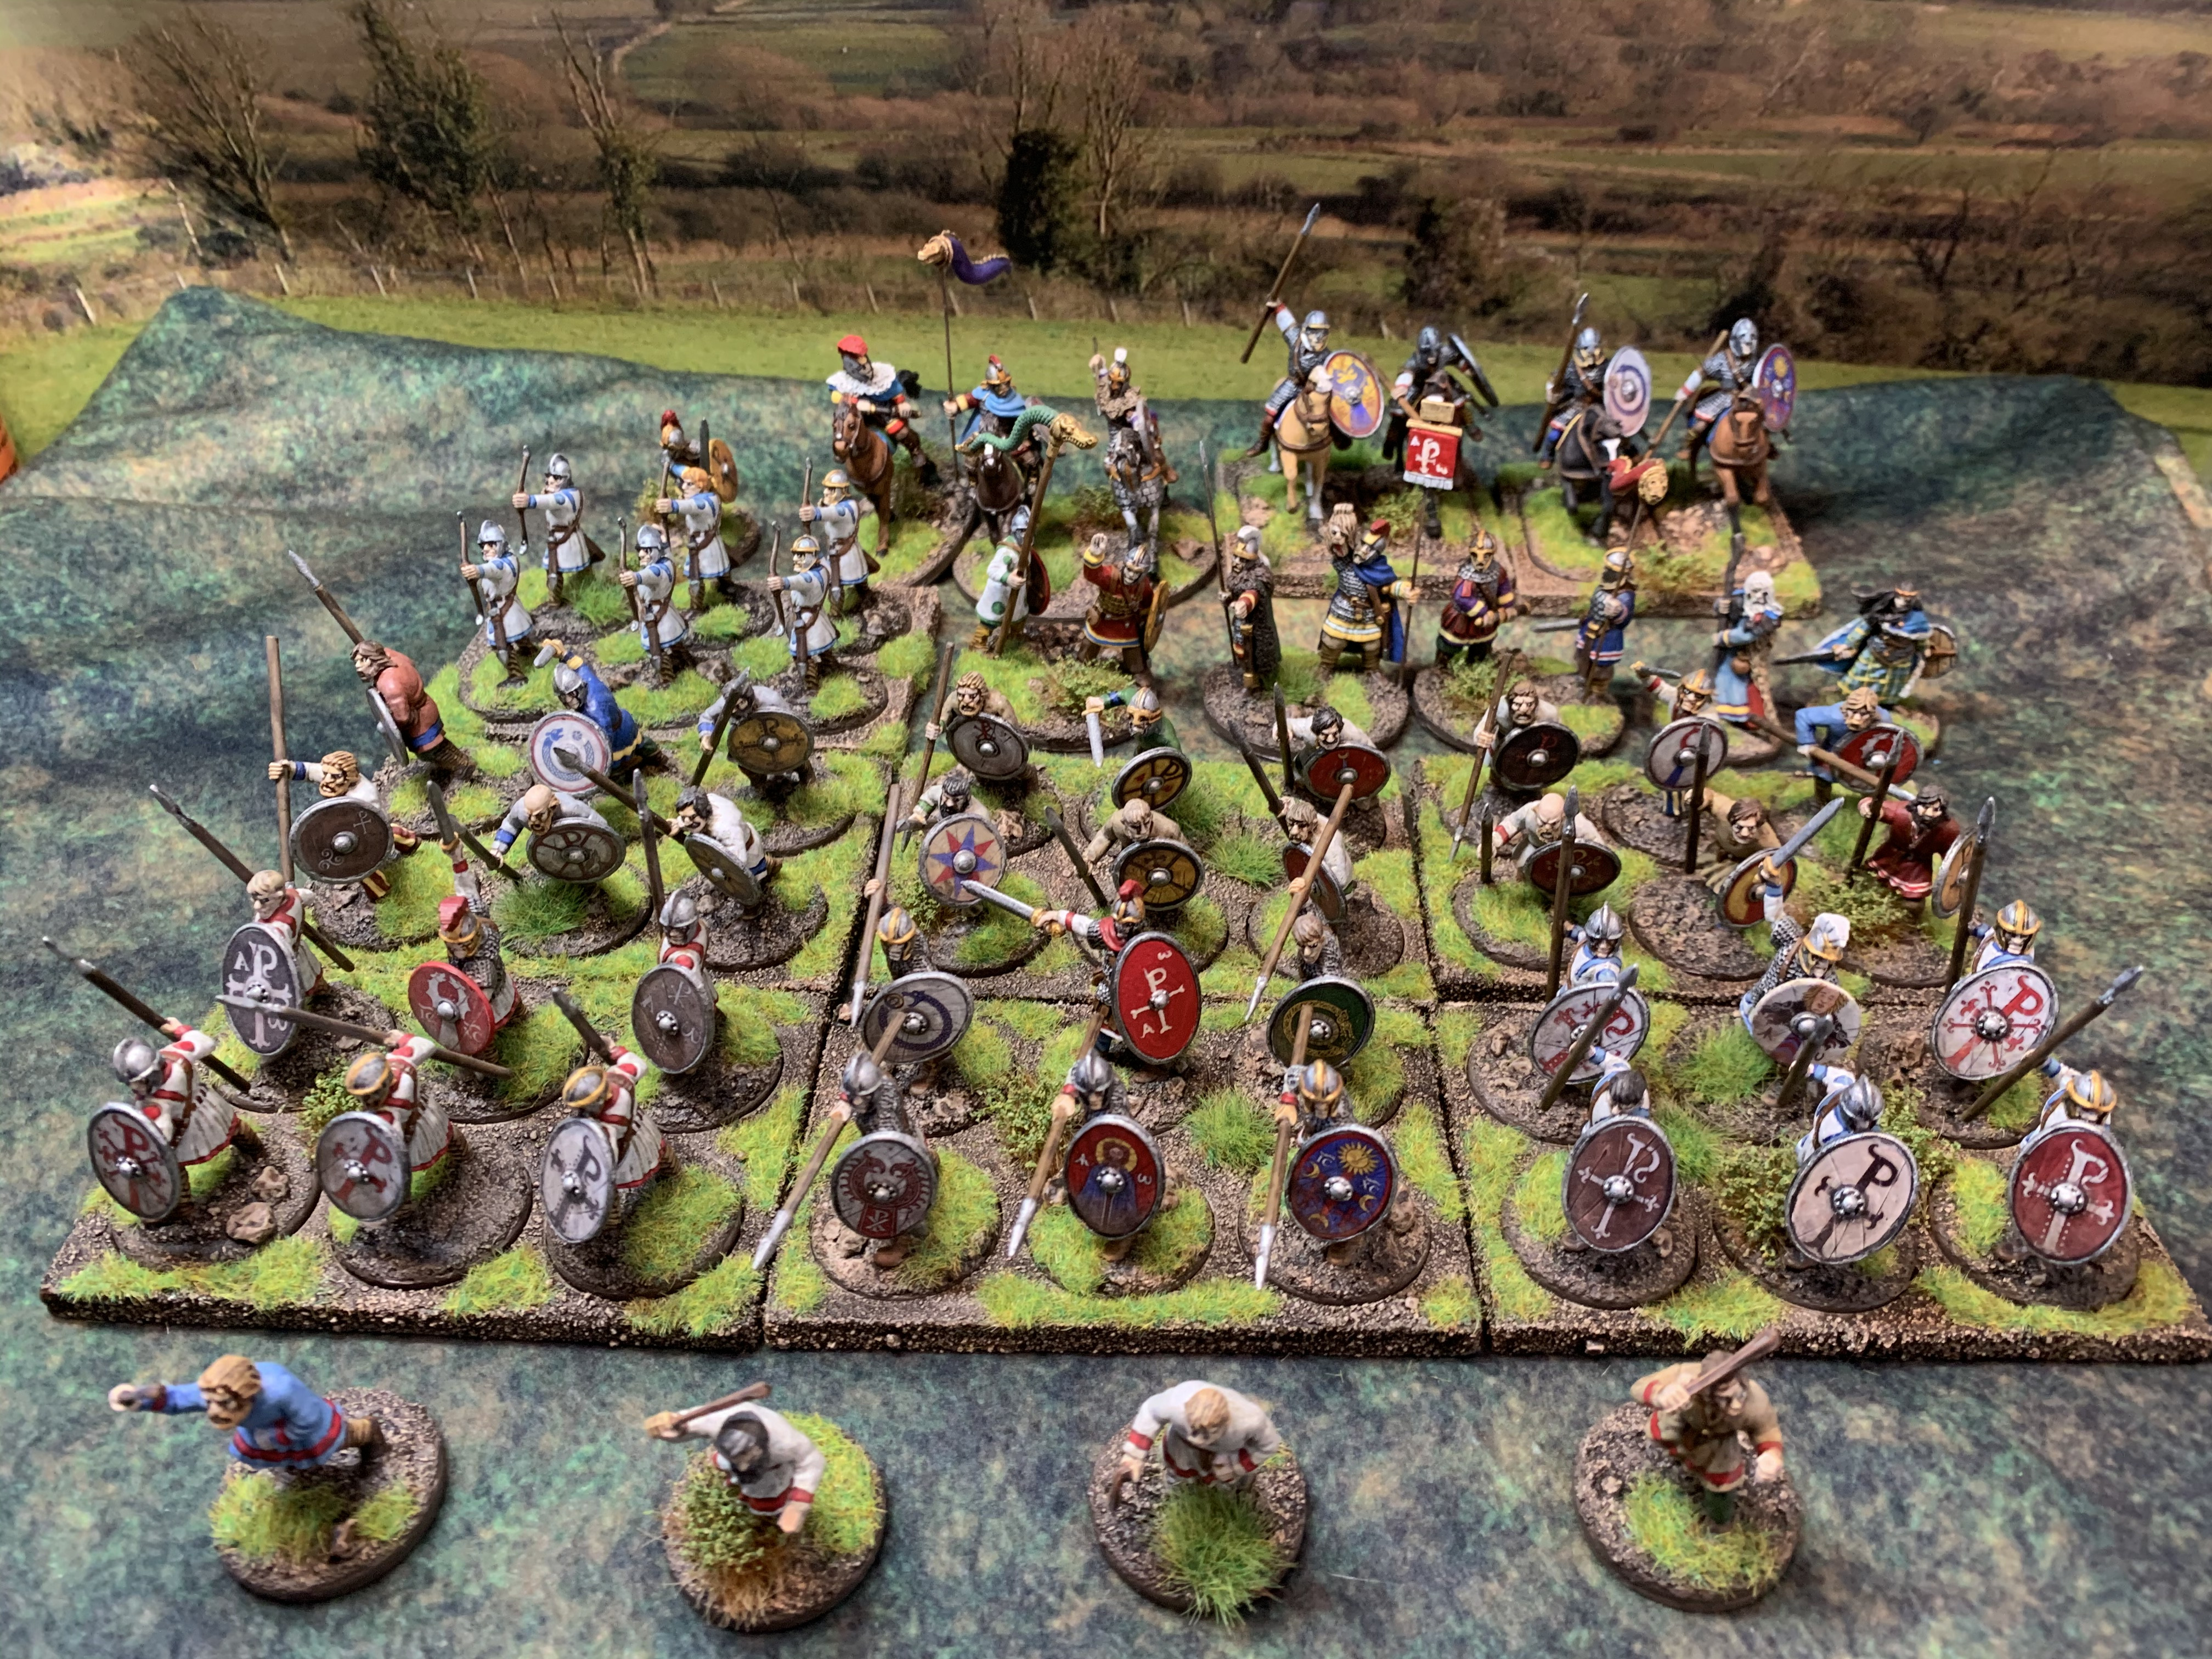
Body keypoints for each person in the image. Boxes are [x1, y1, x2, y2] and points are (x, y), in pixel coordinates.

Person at [109, 1355, 380, 1470]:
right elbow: (182, 1398)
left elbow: (309, 1419)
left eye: (224, 1404)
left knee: (340, 1439)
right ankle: (295, 1469)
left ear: (248, 1395)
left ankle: (370, 1433)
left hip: (307, 1431)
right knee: (263, 1456)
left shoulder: (282, 1390)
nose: (214, 1411)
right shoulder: (217, 1393)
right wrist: (145, 1400)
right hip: (260, 1434)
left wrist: (276, 1439)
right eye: (210, 1402)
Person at [1631, 1346, 1785, 1525]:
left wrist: (1771, 1455)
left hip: (1719, 1444)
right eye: (1724, 1398)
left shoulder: (1755, 1400)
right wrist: (1661, 1393)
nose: (1736, 1405)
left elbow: (1766, 1430)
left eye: (1739, 1395)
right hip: (1679, 1429)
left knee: (1722, 1484)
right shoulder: (1685, 1375)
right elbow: (1639, 1388)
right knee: (1665, 1456)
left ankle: (1719, 1521)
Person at [644, 1398, 824, 1535]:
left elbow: (812, 1461)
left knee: (767, 1492)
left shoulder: (786, 1443)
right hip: (732, 1461)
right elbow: (690, 1423)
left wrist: (798, 1505)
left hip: (773, 1470)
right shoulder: (718, 1420)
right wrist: (674, 1427)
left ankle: (770, 1511)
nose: (744, 1464)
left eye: (747, 1457)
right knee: (737, 1471)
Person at [267, 748, 420, 901]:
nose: (327, 780)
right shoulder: (333, 775)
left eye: (334, 777)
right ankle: (409, 843)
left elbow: (373, 826)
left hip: (364, 834)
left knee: (363, 864)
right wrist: (287, 769)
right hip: (342, 828)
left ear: (350, 777)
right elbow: (309, 771)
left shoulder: (365, 796)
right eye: (325, 774)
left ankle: (382, 891)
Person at [1113, 1380, 1283, 1500]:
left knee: (1225, 1481)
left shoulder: (1250, 1421)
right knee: (1178, 1472)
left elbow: (1269, 1445)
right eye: (1195, 1430)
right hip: (1182, 1447)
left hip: (1226, 1453)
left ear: (1225, 1422)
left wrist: (1238, 1465)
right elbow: (1150, 1412)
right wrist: (1134, 1457)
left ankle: (1227, 1495)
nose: (1199, 1440)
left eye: (1208, 1433)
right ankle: (1177, 1491)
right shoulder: (1176, 1403)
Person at [111, 1019, 240, 1174]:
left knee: (175, 1167)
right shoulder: (176, 1054)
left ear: (153, 1073)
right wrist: (181, 1030)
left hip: (193, 1126)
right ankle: (258, 1153)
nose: (135, 1089)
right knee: (237, 1131)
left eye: (140, 1082)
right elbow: (205, 1043)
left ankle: (258, 1155)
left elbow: (162, 1135)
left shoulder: (154, 1104)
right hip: (212, 1106)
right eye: (132, 1084)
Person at [338, 1029, 457, 1178]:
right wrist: (403, 1039)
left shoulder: (389, 1113)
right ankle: (465, 1154)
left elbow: (394, 1147)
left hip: (416, 1129)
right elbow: (424, 1045)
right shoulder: (399, 1064)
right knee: (451, 1135)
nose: (368, 1101)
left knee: (441, 1141)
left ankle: (463, 1156)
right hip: (428, 1111)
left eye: (371, 1094)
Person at [827, 332, 936, 485]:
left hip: (883, 412)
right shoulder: (842, 382)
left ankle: (916, 452)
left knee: (900, 431)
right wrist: (856, 403)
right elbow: (837, 397)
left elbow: (895, 392)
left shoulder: (881, 376)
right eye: (858, 359)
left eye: (863, 358)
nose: (864, 363)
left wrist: (901, 404)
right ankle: (842, 454)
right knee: (843, 432)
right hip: (858, 416)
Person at [544, 650, 663, 782]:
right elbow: (580, 665)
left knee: (614, 767)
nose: (568, 701)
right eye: (564, 697)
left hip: (618, 735)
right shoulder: (589, 681)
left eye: (571, 695)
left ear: (578, 689)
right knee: (640, 742)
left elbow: (604, 741)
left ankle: (643, 767)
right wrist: (564, 654)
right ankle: (656, 756)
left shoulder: (596, 710)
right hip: (621, 719)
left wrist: (592, 754)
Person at [353, 640, 466, 774]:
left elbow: (403, 718)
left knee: (431, 751)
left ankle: (464, 768)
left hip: (421, 726)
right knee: (440, 746)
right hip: (428, 709)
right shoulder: (392, 657)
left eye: (363, 660)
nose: (358, 666)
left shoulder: (389, 685)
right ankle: (458, 763)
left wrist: (389, 722)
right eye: (357, 661)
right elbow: (410, 662)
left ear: (374, 658)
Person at [1316, 519, 1413, 675]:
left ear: (1377, 553)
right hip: (1343, 609)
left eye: (1370, 549)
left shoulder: (1381, 570)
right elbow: (1337, 548)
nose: (1363, 551)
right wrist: (1341, 524)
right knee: (1333, 641)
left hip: (1369, 615)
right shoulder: (1346, 562)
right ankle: (1325, 668)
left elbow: (1390, 587)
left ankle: (1371, 671)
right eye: (1362, 544)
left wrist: (1406, 591)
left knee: (1371, 646)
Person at [696, 670, 810, 792]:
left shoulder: (771, 699)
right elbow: (707, 716)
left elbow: (791, 723)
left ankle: (807, 777)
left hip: (776, 732)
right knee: (746, 761)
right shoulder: (726, 704)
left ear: (749, 698)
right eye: (734, 707)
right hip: (747, 736)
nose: (738, 709)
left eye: (742, 703)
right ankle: (760, 784)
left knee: (794, 753)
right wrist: (706, 736)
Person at [1248, 303, 1333, 465]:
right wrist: (1278, 306)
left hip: (1314, 389)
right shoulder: (1296, 339)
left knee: (1329, 413)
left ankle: (1338, 437)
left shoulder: (1327, 355)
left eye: (1322, 332)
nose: (1318, 337)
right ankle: (1263, 442)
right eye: (1315, 331)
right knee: (1270, 416)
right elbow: (1287, 322)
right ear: (1307, 330)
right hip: (1293, 385)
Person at [1739, 912, 1850, 1032]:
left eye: (1828, 961)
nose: (1823, 965)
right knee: (1756, 1019)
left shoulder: (1829, 979)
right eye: (1817, 958)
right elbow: (1776, 916)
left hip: (1795, 1014)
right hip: (1764, 999)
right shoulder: (1789, 948)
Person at [458, 520, 536, 684]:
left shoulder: (500, 565)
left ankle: (517, 676)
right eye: (483, 545)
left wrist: (476, 570)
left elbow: (493, 569)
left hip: (503, 610)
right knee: (518, 636)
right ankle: (529, 650)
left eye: (491, 545)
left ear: (500, 545)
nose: (485, 549)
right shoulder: (511, 556)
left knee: (500, 645)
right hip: (511, 607)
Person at [1677, 318, 1763, 465]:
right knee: (1700, 426)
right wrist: (1686, 390)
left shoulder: (1756, 362)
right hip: (1724, 397)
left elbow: (1763, 379)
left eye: (1750, 343)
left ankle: (1768, 448)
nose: (1747, 347)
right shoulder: (1723, 359)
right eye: (1744, 343)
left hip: (1747, 398)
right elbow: (1702, 372)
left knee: (1763, 422)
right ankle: (1688, 447)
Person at [672, 786, 778, 904]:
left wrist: (723, 870)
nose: (686, 822)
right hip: (727, 843)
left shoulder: (726, 829)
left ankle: (754, 903)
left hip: (746, 851)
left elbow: (738, 862)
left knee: (751, 882)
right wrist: (678, 824)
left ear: (703, 812)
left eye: (691, 817)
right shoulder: (705, 803)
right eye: (683, 817)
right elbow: (691, 820)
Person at [1859, 786, 1960, 910]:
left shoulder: (1948, 830)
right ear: (1917, 804)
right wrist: (1869, 808)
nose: (1929, 814)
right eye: (1925, 807)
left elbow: (1950, 853)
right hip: (1890, 856)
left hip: (1917, 868)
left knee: (1913, 903)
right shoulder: (1902, 812)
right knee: (1867, 877)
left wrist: (1956, 870)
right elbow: (1879, 807)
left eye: (1936, 810)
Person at [1435, 529, 1521, 669]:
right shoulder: (1467, 574)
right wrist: (1483, 612)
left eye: (1486, 556)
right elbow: (1462, 597)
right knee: (1449, 646)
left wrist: (1507, 608)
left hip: (1487, 621)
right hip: (1462, 618)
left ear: (1491, 554)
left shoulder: (1499, 571)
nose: (1480, 561)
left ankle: (1475, 669)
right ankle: (1441, 668)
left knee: (1482, 647)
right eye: (1476, 555)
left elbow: (1504, 590)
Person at [515, 452, 592, 606]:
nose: (550, 480)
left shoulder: (564, 497)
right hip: (568, 538)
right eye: (549, 476)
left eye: (556, 478)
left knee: (555, 570)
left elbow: (551, 501)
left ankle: (556, 599)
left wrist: (528, 501)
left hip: (565, 541)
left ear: (565, 479)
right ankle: (581, 585)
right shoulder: (574, 492)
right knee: (576, 565)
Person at [764, 536, 839, 692]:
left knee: (802, 655)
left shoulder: (809, 579)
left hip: (807, 622)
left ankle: (812, 686)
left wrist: (780, 582)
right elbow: (823, 561)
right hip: (818, 618)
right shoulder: (824, 569)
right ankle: (831, 667)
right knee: (822, 648)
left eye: (801, 555)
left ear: (812, 556)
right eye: (796, 554)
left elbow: (797, 581)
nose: (795, 559)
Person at [1793, 686, 1891, 806]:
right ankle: (1820, 803)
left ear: (1872, 713)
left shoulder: (1883, 719)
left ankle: (1874, 805)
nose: (1857, 718)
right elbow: (1803, 715)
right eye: (1853, 712)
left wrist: (1880, 755)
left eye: (1863, 714)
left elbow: (1888, 738)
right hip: (1833, 754)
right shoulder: (1834, 715)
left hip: (1864, 757)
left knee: (1870, 783)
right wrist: (1807, 742)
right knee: (1823, 778)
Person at [618, 522, 690, 685]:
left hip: (658, 616)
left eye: (646, 550)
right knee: (676, 645)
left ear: (655, 551)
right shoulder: (667, 560)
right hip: (662, 613)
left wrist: (634, 577)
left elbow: (649, 575)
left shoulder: (658, 570)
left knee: (658, 651)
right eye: (641, 550)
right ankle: (686, 662)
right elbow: (667, 550)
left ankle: (668, 680)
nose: (641, 554)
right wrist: (663, 536)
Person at [436, 888, 518, 1031]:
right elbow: (470, 897)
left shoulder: (482, 964)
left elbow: (484, 997)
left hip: (493, 998)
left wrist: (467, 1011)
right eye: (452, 946)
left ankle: (517, 1021)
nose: (455, 949)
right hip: (478, 983)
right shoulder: (474, 920)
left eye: (460, 945)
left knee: (489, 1025)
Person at [1711, 568, 1784, 725]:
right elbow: (1726, 604)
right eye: (1755, 591)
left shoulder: (1769, 614)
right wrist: (1720, 606)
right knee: (1724, 677)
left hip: (1751, 654)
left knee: (1743, 683)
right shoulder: (1740, 597)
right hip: (1731, 651)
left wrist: (1723, 638)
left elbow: (1747, 635)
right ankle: (1724, 711)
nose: (1759, 596)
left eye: (1763, 592)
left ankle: (1738, 715)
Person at [654, 466, 736, 605]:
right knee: (720, 569)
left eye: (690, 484)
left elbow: (690, 506)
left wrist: (671, 505)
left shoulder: (702, 503)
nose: (684, 487)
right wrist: (672, 465)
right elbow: (683, 472)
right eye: (684, 483)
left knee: (696, 576)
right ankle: (728, 587)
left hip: (705, 544)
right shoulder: (713, 496)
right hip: (709, 541)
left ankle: (697, 607)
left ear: (701, 486)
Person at [797, 469, 874, 614]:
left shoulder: (845, 509)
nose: (826, 492)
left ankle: (836, 612)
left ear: (843, 491)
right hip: (841, 551)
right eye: (827, 488)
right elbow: (829, 510)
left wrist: (814, 513)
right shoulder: (846, 504)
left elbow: (833, 513)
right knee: (853, 577)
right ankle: (864, 594)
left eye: (832, 489)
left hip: (846, 554)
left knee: (837, 583)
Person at [1078, 533, 1156, 674]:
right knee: (1088, 647)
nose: (1131, 575)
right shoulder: (1111, 577)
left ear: (1143, 574)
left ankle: (1137, 673)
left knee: (1135, 657)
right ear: (1125, 565)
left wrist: (1148, 624)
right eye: (1129, 569)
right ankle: (1081, 668)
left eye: (1137, 573)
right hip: (1103, 621)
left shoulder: (1143, 586)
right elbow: (1092, 575)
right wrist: (1094, 556)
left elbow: (1148, 604)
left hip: (1127, 625)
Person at [242, 868, 326, 1000]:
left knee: (299, 987)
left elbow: (274, 953)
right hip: (285, 957)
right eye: (254, 899)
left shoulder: (280, 928)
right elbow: (309, 896)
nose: (257, 906)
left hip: (288, 963)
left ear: (279, 896)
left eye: (265, 900)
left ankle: (320, 999)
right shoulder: (295, 896)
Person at [1090, 346, 1172, 478]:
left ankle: (1165, 469)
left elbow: (1143, 415)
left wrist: (1137, 422)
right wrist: (1100, 366)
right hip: (1116, 435)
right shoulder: (1105, 395)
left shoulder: (1130, 397)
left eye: (1118, 383)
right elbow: (1103, 383)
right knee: (1109, 465)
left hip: (1134, 434)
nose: (1115, 387)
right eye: (1113, 382)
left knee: (1155, 451)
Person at [490, 782, 612, 871]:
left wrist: (608, 841)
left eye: (540, 815)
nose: (534, 821)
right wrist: (498, 850)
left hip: (576, 841)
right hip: (550, 849)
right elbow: (510, 825)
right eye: (530, 815)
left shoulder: (571, 809)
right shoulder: (520, 811)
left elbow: (596, 822)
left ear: (552, 807)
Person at [972, 507, 1043, 647]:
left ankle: (1014, 640)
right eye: (1023, 531)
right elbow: (993, 570)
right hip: (1001, 592)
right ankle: (978, 645)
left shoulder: (1025, 548)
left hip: (1017, 592)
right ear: (1016, 531)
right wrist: (1008, 578)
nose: (1027, 535)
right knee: (989, 622)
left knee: (1018, 619)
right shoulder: (1007, 551)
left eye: (1029, 532)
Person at [1571, 549, 1637, 702]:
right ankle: (1583, 683)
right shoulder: (1604, 586)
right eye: (1607, 568)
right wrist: (1586, 616)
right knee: (1583, 656)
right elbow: (1596, 605)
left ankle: (1597, 693)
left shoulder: (1625, 594)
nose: (1606, 572)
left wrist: (1618, 611)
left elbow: (1625, 616)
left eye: (1611, 570)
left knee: (1601, 667)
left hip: (1607, 635)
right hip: (1591, 627)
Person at [1539, 325, 1607, 466]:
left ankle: (1631, 453)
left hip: (1601, 406)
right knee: (1554, 435)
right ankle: (1548, 456)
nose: (1591, 353)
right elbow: (1556, 385)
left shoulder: (1606, 367)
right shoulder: (1571, 368)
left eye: (1594, 348)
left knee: (1620, 431)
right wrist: (1554, 392)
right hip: (1576, 407)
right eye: (1587, 349)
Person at [1223, 525, 1280, 691]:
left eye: (1241, 560)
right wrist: (1228, 599)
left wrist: (1243, 604)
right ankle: (1246, 671)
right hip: (1242, 624)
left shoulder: (1257, 579)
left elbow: (1252, 594)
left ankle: (1256, 683)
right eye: (1236, 557)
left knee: (1253, 656)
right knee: (1242, 650)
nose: (1236, 562)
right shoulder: (1238, 576)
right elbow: (1237, 595)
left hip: (1256, 629)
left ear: (1250, 562)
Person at [1084, 797, 1181, 866]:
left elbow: (1185, 854)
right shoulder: (1116, 823)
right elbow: (1105, 836)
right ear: (1124, 823)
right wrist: (1090, 857)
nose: (1143, 830)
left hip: (1163, 863)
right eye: (1136, 827)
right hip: (1130, 862)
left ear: (1151, 817)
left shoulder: (1169, 829)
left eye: (1146, 823)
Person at [1967, 900, 2042, 974]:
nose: (2017, 941)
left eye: (2024, 936)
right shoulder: (1996, 937)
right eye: (2011, 934)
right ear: (2001, 930)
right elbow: (1989, 933)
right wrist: (1978, 929)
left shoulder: (2019, 965)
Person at [1566, 903, 1627, 986]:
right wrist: (1566, 927)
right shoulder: (1586, 942)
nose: (1604, 946)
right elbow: (1580, 933)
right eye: (1598, 940)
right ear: (1591, 938)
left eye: (1611, 941)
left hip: (1584, 994)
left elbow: (1606, 985)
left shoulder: (1607, 969)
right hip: (1568, 988)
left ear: (1616, 941)